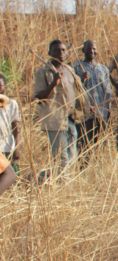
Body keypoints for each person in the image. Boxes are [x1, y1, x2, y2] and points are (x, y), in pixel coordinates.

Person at [34, 40, 89, 180]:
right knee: (61, 158)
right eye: (56, 50)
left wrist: (81, 80)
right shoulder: (43, 71)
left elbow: (74, 90)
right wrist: (53, 83)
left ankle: (40, 178)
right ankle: (63, 186)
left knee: (72, 157)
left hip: (71, 118)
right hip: (56, 120)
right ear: (49, 53)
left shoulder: (69, 70)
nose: (61, 53)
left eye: (64, 50)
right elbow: (39, 97)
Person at [72, 40, 112, 155]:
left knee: (99, 143)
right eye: (89, 48)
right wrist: (81, 79)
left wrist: (108, 108)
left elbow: (108, 91)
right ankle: (84, 167)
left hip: (101, 110)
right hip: (84, 111)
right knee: (84, 142)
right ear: (83, 50)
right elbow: (72, 89)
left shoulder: (104, 69)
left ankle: (96, 166)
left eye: (94, 48)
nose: (91, 51)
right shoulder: (75, 67)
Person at [0, 73, 21, 173]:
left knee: (11, 175)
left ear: (5, 86)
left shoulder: (12, 104)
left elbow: (16, 128)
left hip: (8, 146)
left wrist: (17, 148)